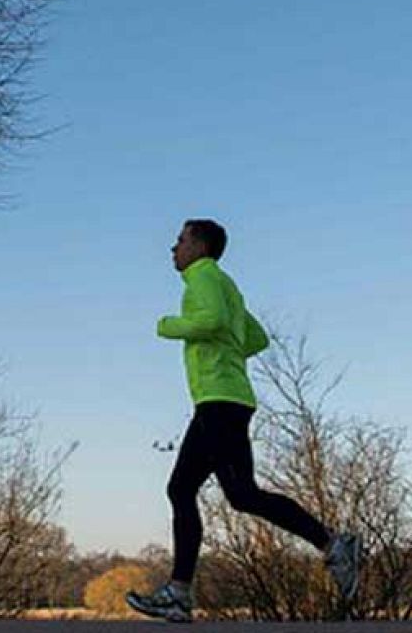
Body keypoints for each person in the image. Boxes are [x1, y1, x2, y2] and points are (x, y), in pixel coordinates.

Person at [126, 219, 362, 623]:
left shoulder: (202, 277)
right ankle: (179, 593)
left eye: (180, 240)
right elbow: (256, 337)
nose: (173, 248)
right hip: (223, 399)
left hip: (220, 401)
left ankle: (332, 544)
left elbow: (213, 322)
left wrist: (168, 326)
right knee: (189, 489)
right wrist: (227, 354)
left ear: (200, 246)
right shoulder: (226, 285)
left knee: (236, 493)